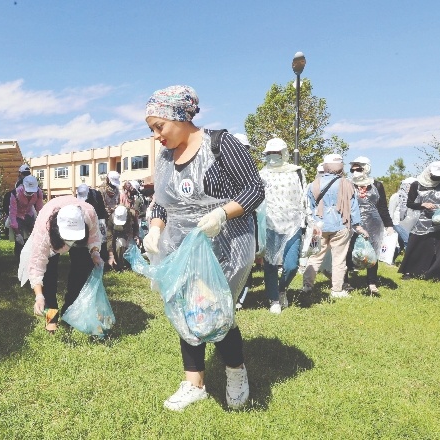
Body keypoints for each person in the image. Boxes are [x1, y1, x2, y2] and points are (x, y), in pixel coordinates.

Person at [142, 85, 264, 410]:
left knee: (213, 310)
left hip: (226, 243)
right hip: (182, 248)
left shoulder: (221, 143)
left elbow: (254, 190)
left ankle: (235, 371)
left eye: (159, 126)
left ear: (179, 116)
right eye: (151, 129)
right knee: (187, 309)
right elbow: (160, 204)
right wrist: (155, 229)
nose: (156, 135)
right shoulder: (165, 158)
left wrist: (222, 213)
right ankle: (194, 382)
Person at [18, 196, 103, 332]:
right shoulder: (44, 229)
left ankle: (70, 310)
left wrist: (95, 253)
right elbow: (37, 266)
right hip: (50, 231)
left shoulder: (89, 213)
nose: (71, 241)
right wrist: (39, 297)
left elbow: (94, 236)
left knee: (81, 271)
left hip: (80, 233)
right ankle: (51, 316)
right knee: (49, 276)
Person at [302, 154, 369, 298]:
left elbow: (311, 207)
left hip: (318, 226)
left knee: (314, 256)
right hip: (341, 224)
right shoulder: (347, 183)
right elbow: (353, 207)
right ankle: (337, 290)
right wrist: (358, 226)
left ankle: (307, 285)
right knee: (339, 259)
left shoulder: (314, 184)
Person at [259, 138, 306, 314]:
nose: (273, 156)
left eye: (276, 153)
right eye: (269, 153)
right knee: (270, 264)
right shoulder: (261, 174)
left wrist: (309, 221)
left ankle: (282, 289)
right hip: (270, 225)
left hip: (293, 224)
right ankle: (273, 300)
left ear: (284, 154)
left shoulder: (297, 172)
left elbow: (304, 197)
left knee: (292, 265)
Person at [344, 157, 393, 295]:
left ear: (366, 168)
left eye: (358, 169)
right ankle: (345, 281)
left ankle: (372, 282)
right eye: (352, 170)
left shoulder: (377, 185)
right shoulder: (348, 184)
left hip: (374, 224)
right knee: (348, 251)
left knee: (372, 253)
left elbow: (383, 207)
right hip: (353, 223)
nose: (355, 172)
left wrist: (389, 225)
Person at [399, 161, 440, 281]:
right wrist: (422, 205)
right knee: (417, 245)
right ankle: (410, 271)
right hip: (423, 221)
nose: (438, 178)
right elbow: (410, 203)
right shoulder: (416, 184)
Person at [9, 175, 44, 257]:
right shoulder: (15, 193)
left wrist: (41, 224)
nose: (30, 194)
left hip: (29, 214)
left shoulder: (38, 193)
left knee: (34, 236)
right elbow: (12, 213)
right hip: (18, 215)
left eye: (31, 192)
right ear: (23, 186)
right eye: (28, 192)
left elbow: (40, 209)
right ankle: (19, 257)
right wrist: (17, 233)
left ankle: (34, 256)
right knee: (19, 241)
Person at [76, 183, 109, 261]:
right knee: (87, 238)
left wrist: (101, 222)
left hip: (98, 218)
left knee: (101, 238)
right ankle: (87, 256)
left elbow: (101, 209)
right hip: (85, 219)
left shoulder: (96, 194)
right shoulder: (77, 195)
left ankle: (103, 257)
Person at [107, 205, 139, 271]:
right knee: (120, 245)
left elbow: (136, 226)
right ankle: (120, 265)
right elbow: (109, 236)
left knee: (132, 247)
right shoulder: (111, 218)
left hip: (129, 234)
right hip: (117, 235)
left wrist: (136, 236)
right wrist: (111, 255)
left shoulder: (132, 213)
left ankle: (129, 263)